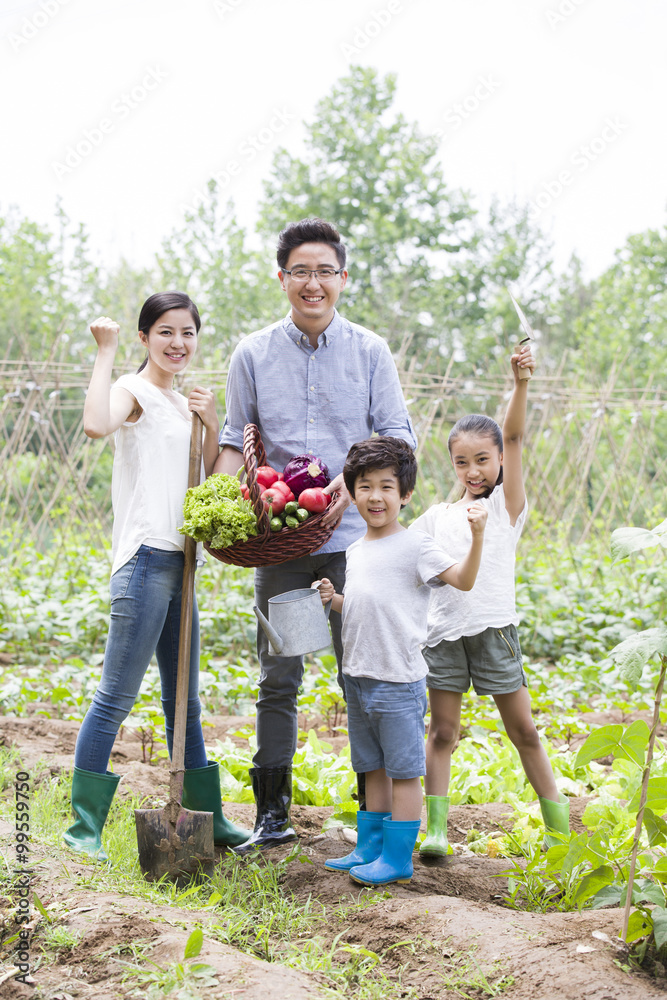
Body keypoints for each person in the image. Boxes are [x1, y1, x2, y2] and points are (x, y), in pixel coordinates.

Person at [214, 219, 417, 851]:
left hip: (355, 545)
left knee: (363, 673)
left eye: (325, 271)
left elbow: (399, 437)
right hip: (284, 548)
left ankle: (373, 814)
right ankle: (273, 813)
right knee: (281, 674)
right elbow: (233, 443)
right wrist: (219, 508)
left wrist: (349, 483)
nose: (313, 283)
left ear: (342, 279)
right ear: (282, 279)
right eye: (301, 271)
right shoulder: (252, 354)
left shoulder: (369, 352)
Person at [63, 292, 248, 861]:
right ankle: (83, 827)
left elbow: (215, 484)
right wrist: (105, 352)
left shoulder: (183, 404)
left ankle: (208, 818)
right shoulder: (135, 391)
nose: (178, 343)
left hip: (183, 564)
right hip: (145, 559)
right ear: (146, 337)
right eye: (165, 332)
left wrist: (215, 424)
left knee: (183, 703)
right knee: (116, 695)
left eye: (188, 333)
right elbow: (96, 425)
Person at [410, 343, 569, 856]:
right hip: (443, 638)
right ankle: (435, 831)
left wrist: (521, 384)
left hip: (495, 630)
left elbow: (518, 432)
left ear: (500, 459)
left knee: (523, 729)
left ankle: (560, 833)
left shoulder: (506, 505)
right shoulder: (435, 516)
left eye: (484, 459)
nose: (473, 470)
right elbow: (408, 563)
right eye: (463, 461)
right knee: (443, 732)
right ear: (451, 463)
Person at [318, 437, 487, 886]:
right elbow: (362, 605)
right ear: (352, 493)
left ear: (405, 494)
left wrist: (477, 537)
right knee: (370, 766)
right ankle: (370, 847)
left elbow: (463, 581)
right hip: (357, 676)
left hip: (397, 680)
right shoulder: (355, 551)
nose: (376, 496)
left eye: (387, 486)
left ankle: (397, 856)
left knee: (404, 771)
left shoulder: (416, 546)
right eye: (366, 486)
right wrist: (335, 599)